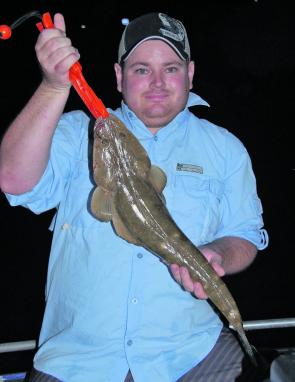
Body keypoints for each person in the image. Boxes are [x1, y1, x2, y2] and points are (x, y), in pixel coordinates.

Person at [0, 12, 268, 382]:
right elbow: (13, 179)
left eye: (170, 68)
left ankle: (239, 330)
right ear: (118, 77)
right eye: (141, 69)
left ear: (189, 74)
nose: (157, 82)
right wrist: (53, 87)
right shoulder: (80, 131)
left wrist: (218, 253)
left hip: (191, 350)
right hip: (78, 359)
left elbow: (246, 235)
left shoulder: (224, 149)